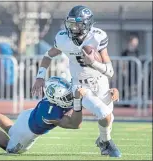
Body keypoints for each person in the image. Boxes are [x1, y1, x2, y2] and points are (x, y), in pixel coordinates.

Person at [32, 5, 121, 157]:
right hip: (80, 85)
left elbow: (110, 71)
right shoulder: (63, 38)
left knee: (109, 118)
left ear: (87, 25)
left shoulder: (97, 37)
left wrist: (92, 62)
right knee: (105, 115)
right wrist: (40, 76)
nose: (73, 28)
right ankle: (107, 143)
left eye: (77, 24)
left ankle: (103, 141)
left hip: (101, 82)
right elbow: (48, 55)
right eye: (71, 24)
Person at [0, 77, 119, 154]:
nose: (70, 96)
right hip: (28, 131)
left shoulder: (55, 96)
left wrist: (108, 92)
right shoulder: (54, 113)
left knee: (12, 129)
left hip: (27, 117)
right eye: (67, 97)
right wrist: (77, 101)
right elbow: (76, 124)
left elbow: (78, 87)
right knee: (10, 148)